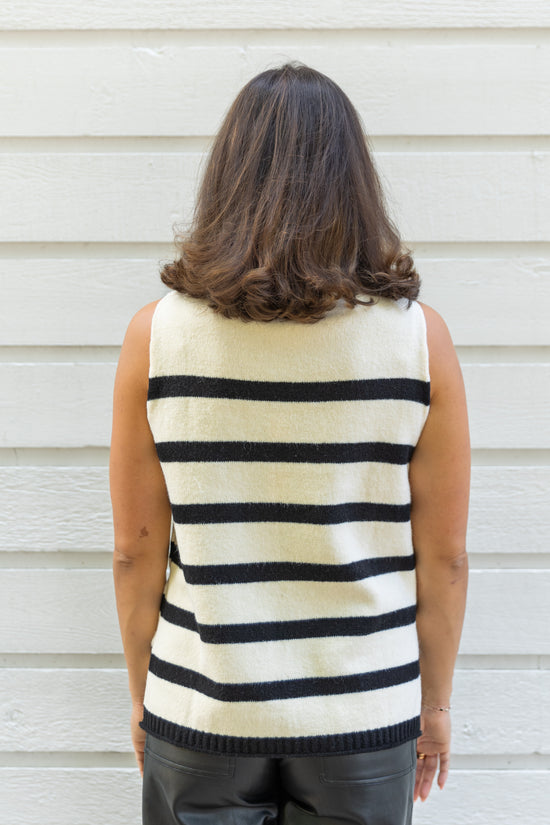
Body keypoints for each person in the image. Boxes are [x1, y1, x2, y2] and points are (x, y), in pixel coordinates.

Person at [110, 62, 470, 825]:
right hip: (362, 709)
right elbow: (443, 557)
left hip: (202, 705)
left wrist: (149, 694)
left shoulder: (157, 337)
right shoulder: (419, 343)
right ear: (354, 181)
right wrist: (433, 704)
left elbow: (135, 549)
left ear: (228, 178)